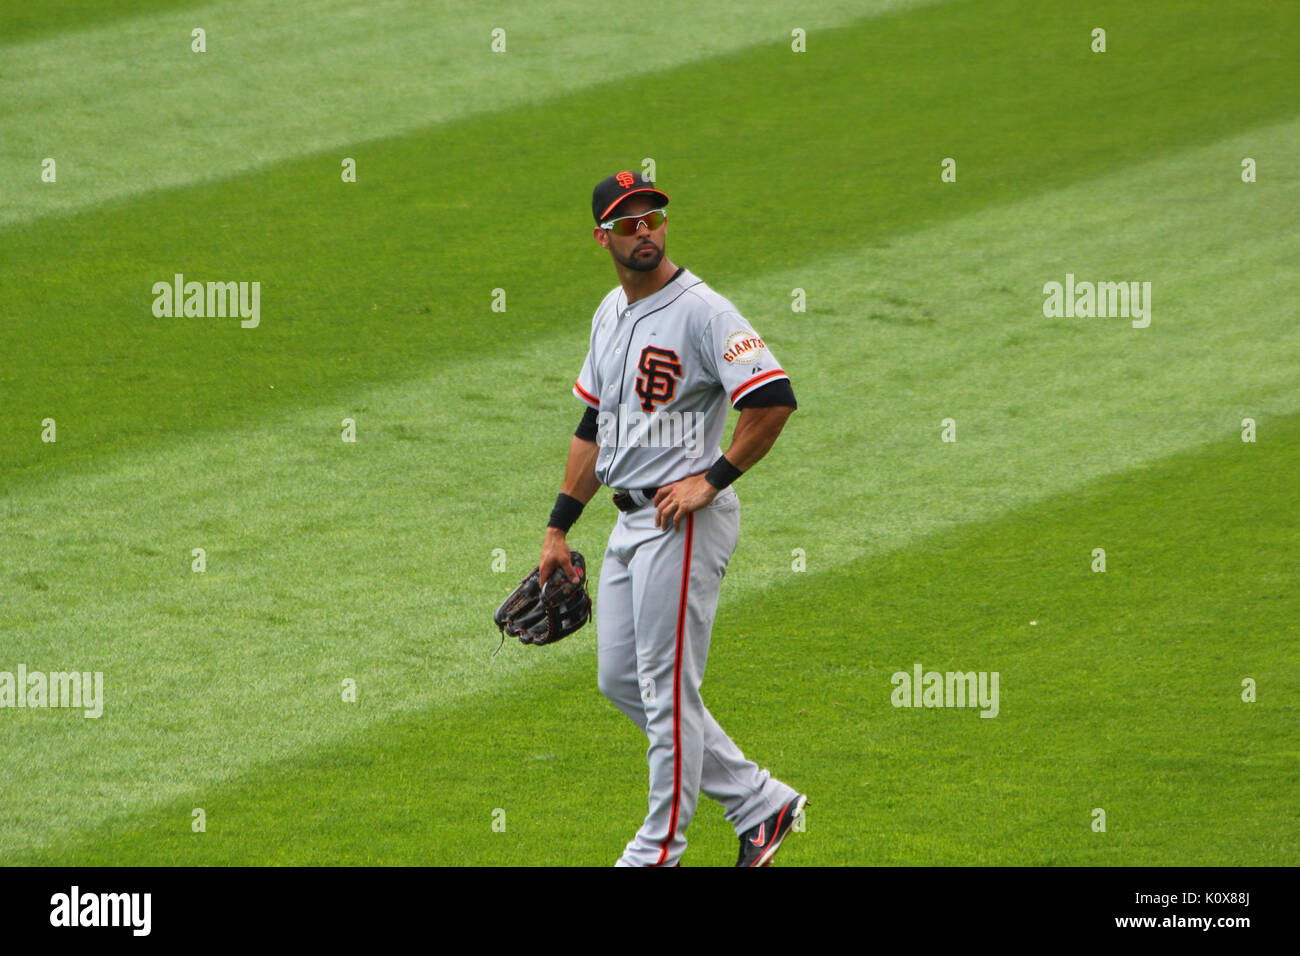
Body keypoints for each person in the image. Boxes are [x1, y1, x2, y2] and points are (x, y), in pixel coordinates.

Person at [538, 170, 806, 867]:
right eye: (627, 224)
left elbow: (772, 399)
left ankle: (657, 852)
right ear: (603, 238)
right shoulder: (609, 312)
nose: (645, 232)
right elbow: (595, 423)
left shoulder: (704, 310)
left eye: (653, 217)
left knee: (665, 687)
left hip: (681, 521)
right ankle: (760, 802)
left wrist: (710, 482)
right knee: (623, 681)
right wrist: (559, 526)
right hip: (628, 524)